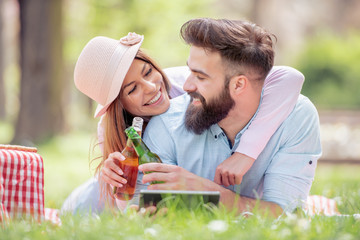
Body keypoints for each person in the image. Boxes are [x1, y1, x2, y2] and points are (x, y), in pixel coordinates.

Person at [62, 25, 305, 214]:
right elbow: (129, 203)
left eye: (148, 71)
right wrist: (112, 174)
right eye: (132, 89)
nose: (150, 87)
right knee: (81, 207)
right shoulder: (111, 131)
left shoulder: (183, 82)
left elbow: (289, 78)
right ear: (119, 106)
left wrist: (245, 154)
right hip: (96, 201)